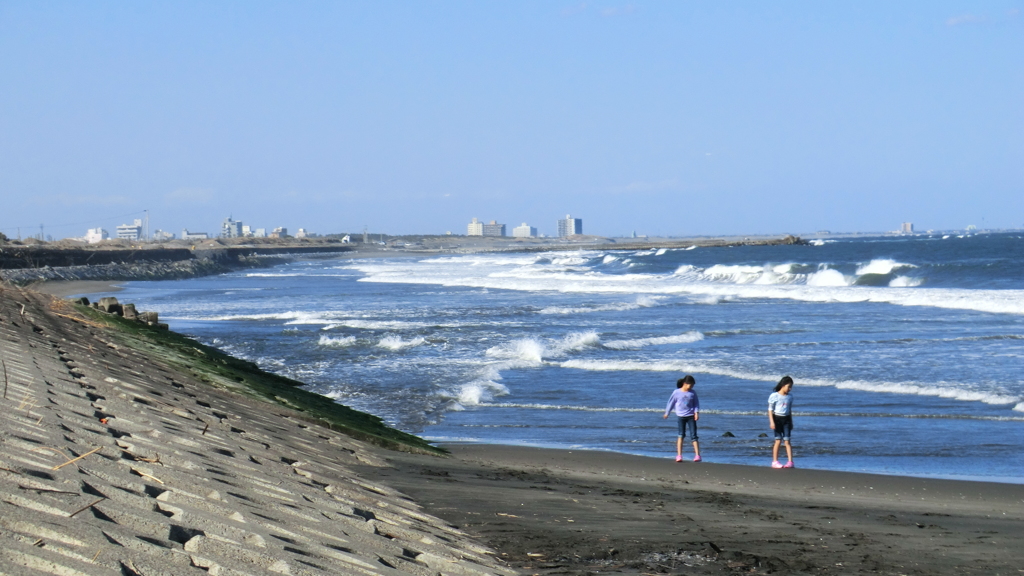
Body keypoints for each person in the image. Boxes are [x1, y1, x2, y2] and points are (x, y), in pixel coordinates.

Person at [663, 375, 701, 462]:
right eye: (690, 385)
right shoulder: (676, 392)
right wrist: (667, 413)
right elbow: (671, 403)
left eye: (692, 386)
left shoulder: (692, 393)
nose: (691, 387)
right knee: (681, 435)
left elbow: (696, 404)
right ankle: (679, 455)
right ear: (684, 383)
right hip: (681, 416)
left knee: (694, 436)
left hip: (691, 416)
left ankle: (697, 455)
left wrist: (696, 413)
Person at [768, 376, 795, 469]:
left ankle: (790, 461)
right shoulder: (774, 396)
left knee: (787, 441)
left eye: (791, 387)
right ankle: (775, 461)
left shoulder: (790, 397)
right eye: (789, 386)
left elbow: (789, 410)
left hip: (786, 419)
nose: (790, 389)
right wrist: (772, 422)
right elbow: (770, 410)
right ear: (783, 385)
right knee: (778, 440)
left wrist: (791, 422)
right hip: (777, 419)